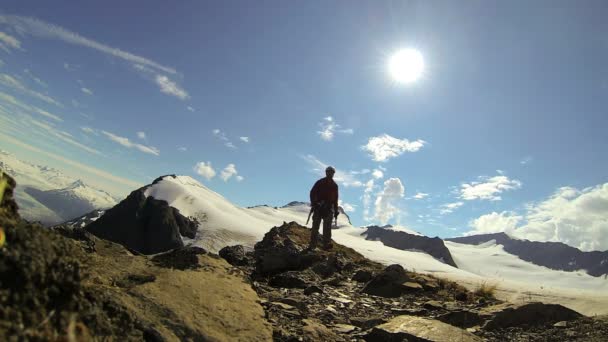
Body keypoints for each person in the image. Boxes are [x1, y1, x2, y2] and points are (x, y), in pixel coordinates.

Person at [308, 166, 339, 249]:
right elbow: (312, 193)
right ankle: (313, 244)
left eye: (331, 172)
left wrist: (336, 210)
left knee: (327, 229)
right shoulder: (320, 182)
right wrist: (314, 203)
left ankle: (325, 245)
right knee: (315, 227)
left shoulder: (335, 186)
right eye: (328, 172)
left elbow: (335, 199)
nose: (330, 173)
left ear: (333, 173)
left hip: (328, 209)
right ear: (326, 172)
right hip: (318, 207)